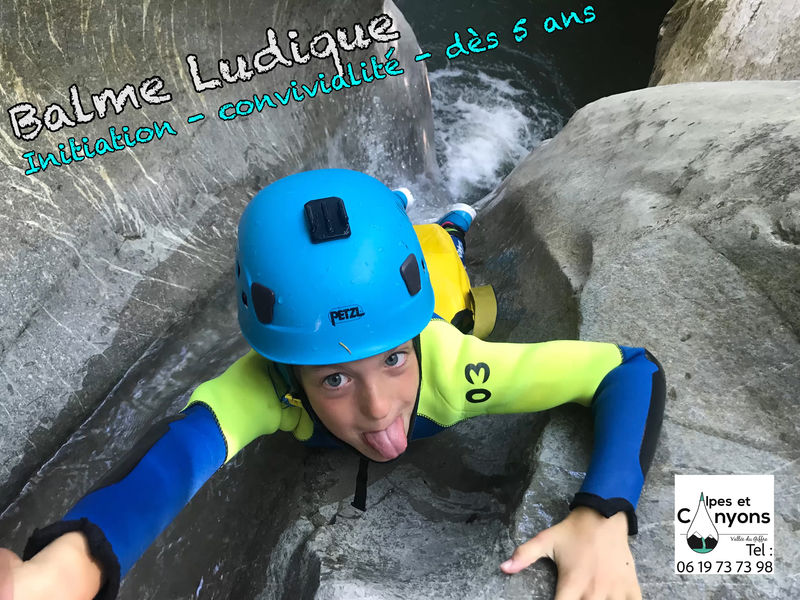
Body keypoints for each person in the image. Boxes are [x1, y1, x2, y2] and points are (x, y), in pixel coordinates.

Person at [0, 168, 665, 600]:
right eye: (338, 378)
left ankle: (449, 226)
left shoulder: (459, 367)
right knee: (418, 260)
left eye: (394, 362)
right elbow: (173, 464)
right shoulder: (268, 383)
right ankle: (407, 219)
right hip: (391, 294)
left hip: (434, 298)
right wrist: (74, 561)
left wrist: (604, 512)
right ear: (290, 373)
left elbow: (630, 370)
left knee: (448, 264)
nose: (378, 410)